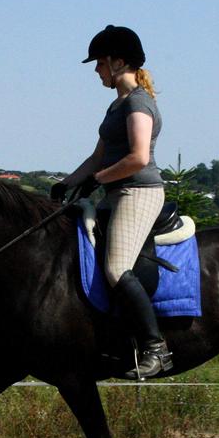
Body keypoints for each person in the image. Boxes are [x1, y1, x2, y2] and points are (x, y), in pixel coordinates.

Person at [53, 25, 173, 379]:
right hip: (115, 192)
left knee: (116, 268)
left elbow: (137, 157)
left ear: (120, 62)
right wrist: (69, 182)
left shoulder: (138, 103)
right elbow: (98, 157)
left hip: (139, 192)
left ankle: (155, 349)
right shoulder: (116, 105)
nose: (96, 70)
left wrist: (97, 180)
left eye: (100, 63)